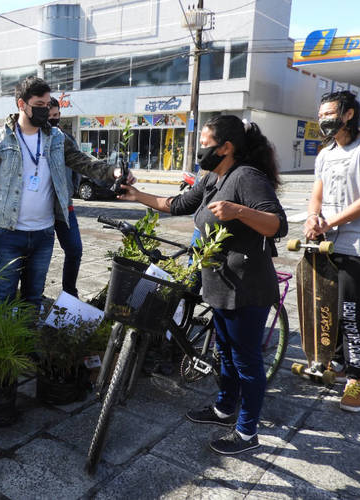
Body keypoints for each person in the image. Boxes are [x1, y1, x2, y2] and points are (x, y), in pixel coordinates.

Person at [118, 115, 287, 455]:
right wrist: (136, 195)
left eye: (207, 143)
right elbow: (177, 204)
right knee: (224, 352)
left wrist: (238, 210)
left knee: (246, 362)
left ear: (227, 147)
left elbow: (276, 225)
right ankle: (224, 410)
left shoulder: (246, 177)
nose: (201, 149)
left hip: (246, 287)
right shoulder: (212, 176)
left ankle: (246, 433)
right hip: (219, 284)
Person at [0, 76, 132, 311]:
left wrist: (114, 171)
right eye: (38, 105)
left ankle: (27, 346)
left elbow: (83, 162)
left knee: (33, 297)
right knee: (2, 299)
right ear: (21, 104)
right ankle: (5, 347)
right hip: (7, 234)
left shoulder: (57, 138)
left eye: (47, 105)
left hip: (43, 234)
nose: (44, 111)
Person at [304, 91, 360, 413]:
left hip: (356, 244)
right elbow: (317, 195)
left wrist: (329, 224)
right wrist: (314, 217)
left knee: (352, 313)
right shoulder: (325, 154)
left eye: (329, 113)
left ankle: (357, 379)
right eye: (321, 113)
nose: (324, 119)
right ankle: (338, 363)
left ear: (348, 114)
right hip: (327, 245)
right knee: (331, 309)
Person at [48, 97, 83, 298]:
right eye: (50, 116)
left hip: (64, 207)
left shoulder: (66, 139)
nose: (54, 119)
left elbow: (79, 166)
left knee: (75, 250)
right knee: (39, 257)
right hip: (43, 208)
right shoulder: (37, 139)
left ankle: (69, 292)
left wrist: (71, 190)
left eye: (57, 115)